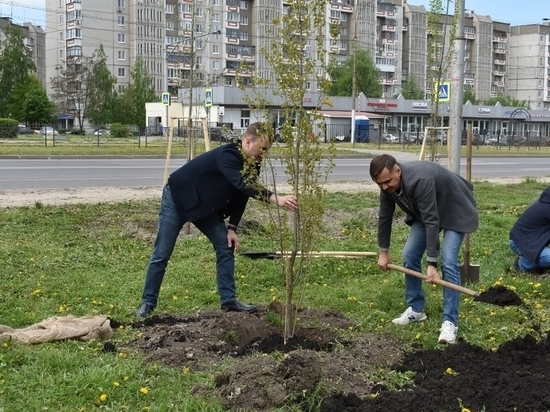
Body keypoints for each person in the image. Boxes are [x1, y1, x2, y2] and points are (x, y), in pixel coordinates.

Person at [136, 122, 298, 317]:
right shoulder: (227, 156)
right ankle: (147, 304)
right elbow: (241, 183)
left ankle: (229, 301)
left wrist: (232, 227)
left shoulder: (252, 162)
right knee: (162, 253)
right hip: (178, 199)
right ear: (247, 142)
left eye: (267, 150)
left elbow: (242, 192)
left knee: (225, 244)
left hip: (205, 207)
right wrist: (275, 198)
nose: (263, 153)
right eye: (262, 148)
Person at [369, 154, 478, 344]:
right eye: (380, 184)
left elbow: (431, 221)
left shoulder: (420, 180)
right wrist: (383, 252)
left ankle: (450, 322)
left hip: (454, 208)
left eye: (387, 182)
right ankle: (416, 309)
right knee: (409, 255)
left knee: (448, 260)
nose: (385, 187)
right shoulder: (386, 186)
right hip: (427, 211)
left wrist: (431, 263)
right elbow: (385, 217)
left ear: (398, 170)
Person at [509, 187, 550, 274]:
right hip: (519, 243)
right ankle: (522, 264)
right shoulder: (547, 206)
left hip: (533, 242)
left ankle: (536, 261)